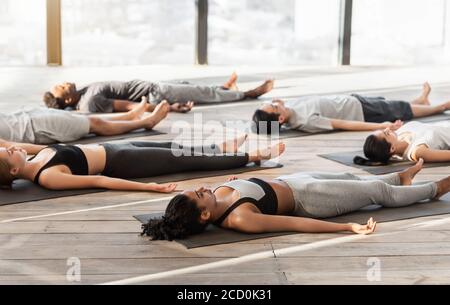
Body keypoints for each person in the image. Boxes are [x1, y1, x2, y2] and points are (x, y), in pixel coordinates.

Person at [142, 159, 450, 240]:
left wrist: (236, 182)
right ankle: (434, 189)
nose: (201, 189)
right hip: (312, 199)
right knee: (376, 194)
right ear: (205, 215)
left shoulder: (217, 195)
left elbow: (245, 186)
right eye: (198, 195)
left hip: (294, 181)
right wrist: (347, 229)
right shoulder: (240, 218)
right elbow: (297, 223)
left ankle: (401, 177)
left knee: (356, 179)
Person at [0, 134, 285, 193]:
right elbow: (100, 181)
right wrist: (149, 187)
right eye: (9, 153)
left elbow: (3, 142)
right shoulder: (48, 176)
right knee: (184, 159)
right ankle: (255, 156)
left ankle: (219, 148)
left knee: (174, 146)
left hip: (114, 147)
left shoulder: (36, 155)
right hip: (123, 163)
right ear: (14, 170)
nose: (13, 147)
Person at [252, 82, 450, 134]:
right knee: (400, 109)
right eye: (273, 105)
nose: (276, 102)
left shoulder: (288, 110)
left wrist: (279, 105)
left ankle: (420, 100)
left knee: (396, 105)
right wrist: (380, 126)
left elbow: (272, 116)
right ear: (279, 119)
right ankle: (440, 106)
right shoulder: (306, 120)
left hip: (354, 100)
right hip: (363, 111)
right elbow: (344, 124)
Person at [43, 72, 274, 114]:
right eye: (62, 87)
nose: (64, 83)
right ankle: (247, 95)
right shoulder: (90, 102)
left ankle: (224, 88)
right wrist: (169, 108)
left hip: (153, 86)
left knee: (190, 85)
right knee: (202, 92)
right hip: (155, 94)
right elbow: (130, 106)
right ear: (67, 99)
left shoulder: (83, 94)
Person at [0, 98, 169, 144]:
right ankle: (146, 122)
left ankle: (127, 116)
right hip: (32, 128)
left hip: (25, 116)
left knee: (84, 118)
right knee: (94, 125)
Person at [355, 120, 450, 165]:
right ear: (392, 148)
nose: (388, 129)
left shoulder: (398, 134)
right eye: (386, 133)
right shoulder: (417, 151)